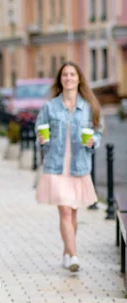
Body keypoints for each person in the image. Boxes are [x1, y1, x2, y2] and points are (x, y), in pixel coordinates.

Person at [35, 61, 103, 272]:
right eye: (65, 75)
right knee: (65, 211)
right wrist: (41, 138)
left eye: (72, 75)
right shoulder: (50, 106)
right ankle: (74, 256)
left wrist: (94, 141)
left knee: (72, 213)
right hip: (56, 167)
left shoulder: (88, 107)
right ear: (60, 80)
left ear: (79, 79)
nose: (69, 78)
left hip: (79, 166)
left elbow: (98, 131)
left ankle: (66, 252)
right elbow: (39, 128)